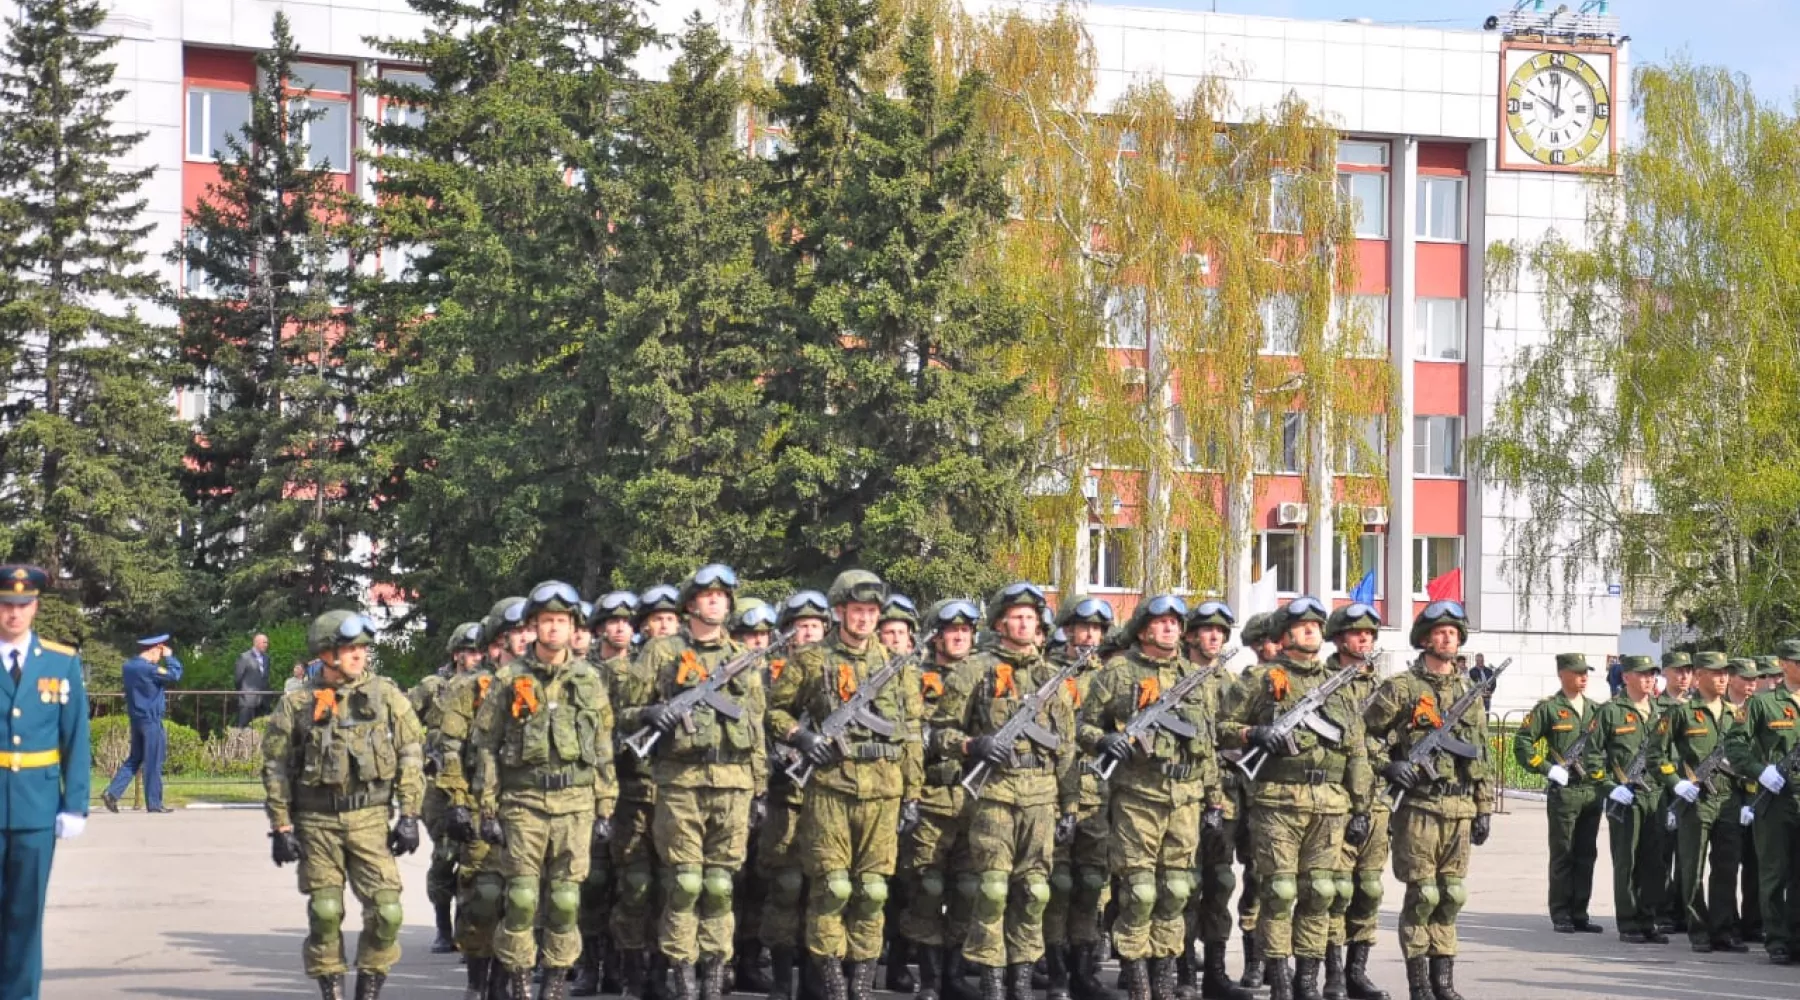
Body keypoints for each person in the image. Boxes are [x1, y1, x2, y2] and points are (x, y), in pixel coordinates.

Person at [771, 570, 923, 1000]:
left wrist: (913, 795)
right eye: (857, 610)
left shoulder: (897, 666)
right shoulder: (811, 660)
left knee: (872, 892)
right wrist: (802, 738)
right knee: (833, 887)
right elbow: (775, 713)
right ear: (839, 611)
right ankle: (831, 981)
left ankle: (861, 983)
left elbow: (911, 733)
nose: (864, 619)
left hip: (885, 791)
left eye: (871, 611)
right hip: (831, 789)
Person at [261, 609, 425, 1000]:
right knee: (325, 912)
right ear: (326, 653)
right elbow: (275, 766)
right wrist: (281, 826)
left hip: (370, 819)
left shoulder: (386, 696)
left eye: (362, 648)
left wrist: (410, 815)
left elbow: (412, 752)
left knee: (387, 911)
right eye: (349, 648)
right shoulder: (298, 702)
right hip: (317, 822)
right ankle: (331, 991)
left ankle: (369, 987)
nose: (359, 655)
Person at [469, 581, 619, 999]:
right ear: (533, 625)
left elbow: (603, 745)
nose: (554, 629)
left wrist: (606, 805)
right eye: (546, 621)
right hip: (523, 802)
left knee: (567, 901)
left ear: (573, 628)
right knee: (520, 898)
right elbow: (486, 746)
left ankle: (553, 987)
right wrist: (487, 808)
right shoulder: (508, 678)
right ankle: (520, 986)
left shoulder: (589, 679)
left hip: (575, 803)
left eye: (561, 621)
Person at [931, 582, 1077, 1000]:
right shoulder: (973, 670)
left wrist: (1069, 806)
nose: (1025, 622)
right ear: (999, 623)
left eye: (1031, 616)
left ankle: (1023, 981)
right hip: (994, 793)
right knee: (993, 890)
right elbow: (939, 733)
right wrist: (972, 745)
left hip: (1041, 797)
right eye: (1016, 615)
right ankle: (993, 980)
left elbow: (1064, 749)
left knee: (1034, 892)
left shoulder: (1052, 678)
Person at [1080, 594, 1231, 1000]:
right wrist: (1106, 739)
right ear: (1144, 629)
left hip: (1185, 798)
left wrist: (1215, 801)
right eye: (1161, 622)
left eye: (1175, 622)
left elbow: (1209, 744)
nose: (1170, 628)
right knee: (1140, 892)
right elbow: (1084, 728)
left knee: (1176, 892)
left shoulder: (1194, 675)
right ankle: (1138, 981)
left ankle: (1164, 981)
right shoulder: (1118, 672)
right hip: (1137, 797)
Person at [629, 565, 768, 1000]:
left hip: (734, 782)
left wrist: (760, 787)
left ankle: (714, 973)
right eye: (707, 595)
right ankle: (682, 973)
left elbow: (757, 725)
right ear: (690, 604)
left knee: (721, 885)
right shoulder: (660, 652)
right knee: (686, 882)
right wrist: (652, 714)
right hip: (681, 781)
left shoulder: (741, 657)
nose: (716, 602)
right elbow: (626, 711)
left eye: (722, 596)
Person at [1222, 597, 1370, 1000]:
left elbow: (1356, 750)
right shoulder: (1262, 678)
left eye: (1316, 626)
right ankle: (1280, 979)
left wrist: (1360, 806)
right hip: (1277, 802)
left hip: (1330, 803)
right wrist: (1254, 734)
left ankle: (1308, 980)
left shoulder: (1336, 685)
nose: (1312, 631)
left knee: (1320, 892)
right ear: (1284, 635)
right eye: (1303, 626)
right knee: (1280, 892)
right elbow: (1221, 726)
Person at [1364, 600, 1494, 1000]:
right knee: (1424, 895)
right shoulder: (1401, 687)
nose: (1447, 638)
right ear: (1424, 639)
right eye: (1440, 632)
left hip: (1459, 808)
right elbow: (1364, 736)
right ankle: (1419, 984)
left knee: (1452, 896)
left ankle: (1445, 983)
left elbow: (1482, 753)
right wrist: (1389, 766)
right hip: (1420, 806)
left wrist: (1484, 807)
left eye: (1453, 633)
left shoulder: (1468, 693)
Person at [0, 565, 90, 1000]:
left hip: (36, 808)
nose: (14, 614)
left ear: (35, 607)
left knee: (24, 915)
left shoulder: (61, 662)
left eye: (22, 605)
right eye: (6, 605)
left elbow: (76, 737)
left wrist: (74, 803)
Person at [898, 599, 984, 1000]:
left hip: (974, 797)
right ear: (936, 636)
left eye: (966, 631)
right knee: (928, 887)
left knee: (968, 889)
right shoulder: (914, 680)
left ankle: (953, 974)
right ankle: (929, 980)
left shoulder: (987, 677)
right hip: (931, 795)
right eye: (953, 631)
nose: (960, 637)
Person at [1043, 595, 1115, 1000]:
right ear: (1068, 630)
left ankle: (1084, 973)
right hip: (1052, 794)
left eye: (1096, 630)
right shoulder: (1045, 673)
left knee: (1090, 884)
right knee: (1058, 884)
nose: (1089, 636)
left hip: (1098, 795)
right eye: (1083, 628)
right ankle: (1055, 973)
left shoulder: (1108, 677)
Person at [1321, 604, 1390, 1000]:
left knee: (1369, 887)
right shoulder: (1322, 685)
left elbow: (1392, 739)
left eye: (1370, 634)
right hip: (1336, 800)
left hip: (1377, 802)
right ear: (1338, 638)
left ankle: (1356, 971)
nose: (1365, 639)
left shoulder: (1383, 687)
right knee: (1334, 889)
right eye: (1357, 633)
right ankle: (1331, 971)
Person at [1580, 654, 1670, 948]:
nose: (1649, 679)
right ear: (1626, 677)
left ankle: (1648, 919)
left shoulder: (1662, 711)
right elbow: (1592, 756)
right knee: (1627, 861)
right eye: (1642, 674)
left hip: (1656, 795)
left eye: (1652, 675)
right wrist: (1608, 786)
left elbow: (1674, 754)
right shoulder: (1610, 712)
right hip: (1625, 797)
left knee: (1654, 863)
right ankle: (1629, 921)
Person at [1511, 652, 1604, 934]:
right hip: (1565, 792)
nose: (1583, 677)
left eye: (1585, 672)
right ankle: (1561, 912)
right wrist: (1548, 769)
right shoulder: (1549, 709)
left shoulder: (1596, 710)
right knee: (1563, 852)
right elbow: (1522, 744)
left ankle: (1580, 912)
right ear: (1562, 674)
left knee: (1587, 852)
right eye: (1577, 672)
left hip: (1592, 791)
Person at [1725, 639, 1800, 965]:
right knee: (1774, 873)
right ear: (1783, 664)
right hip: (1775, 801)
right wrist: (1760, 771)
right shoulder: (1762, 704)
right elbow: (1735, 745)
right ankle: (1778, 940)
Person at [1665, 651, 1744, 954]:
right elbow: (1659, 755)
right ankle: (1698, 930)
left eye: (1726, 672)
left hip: (1728, 800)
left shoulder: (1736, 713)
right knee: (1692, 867)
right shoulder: (1682, 713)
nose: (1723, 677)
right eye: (1716, 672)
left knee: (1726, 867)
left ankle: (1723, 930)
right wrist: (1677, 782)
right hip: (1696, 800)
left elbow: (1744, 755)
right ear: (1699, 676)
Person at [101, 634, 184, 814]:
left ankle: (112, 793)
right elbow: (175, 675)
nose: (159, 659)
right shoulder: (151, 670)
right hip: (151, 719)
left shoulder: (129, 666)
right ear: (155, 649)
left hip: (136, 718)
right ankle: (154, 803)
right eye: (159, 654)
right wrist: (170, 657)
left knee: (135, 758)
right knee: (153, 761)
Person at [236, 632, 272, 727]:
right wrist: (244, 693)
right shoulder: (244, 657)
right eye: (264, 642)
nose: (266, 645)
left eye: (267, 643)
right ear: (256, 643)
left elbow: (265, 677)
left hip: (263, 699)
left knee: (263, 727)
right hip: (248, 699)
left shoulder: (267, 658)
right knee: (243, 728)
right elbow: (238, 679)